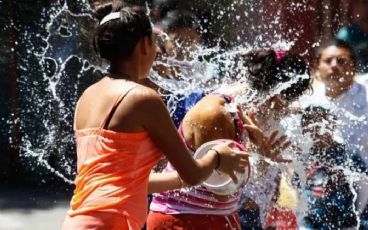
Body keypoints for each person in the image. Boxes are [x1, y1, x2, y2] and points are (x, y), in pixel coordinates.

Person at [61, 2, 248, 229]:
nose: (158, 51)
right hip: (112, 222)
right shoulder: (142, 98)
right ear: (144, 44)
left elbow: (130, 182)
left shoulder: (87, 97)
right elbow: (193, 174)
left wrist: (184, 178)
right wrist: (218, 156)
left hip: (78, 220)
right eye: (154, 43)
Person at [147, 49, 311, 230]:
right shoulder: (215, 115)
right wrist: (253, 153)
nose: (287, 110)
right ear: (275, 96)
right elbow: (222, 191)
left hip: (220, 216)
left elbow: (246, 189)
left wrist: (262, 155)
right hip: (182, 218)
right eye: (287, 102)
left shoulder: (247, 115)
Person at [306, 38, 368, 229]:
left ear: (354, 66)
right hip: (318, 201)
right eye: (328, 61)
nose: (334, 66)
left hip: (367, 202)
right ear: (316, 66)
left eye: (341, 61)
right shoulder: (307, 102)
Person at [298, 105, 368, 229]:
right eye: (311, 125)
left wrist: (358, 214)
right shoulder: (305, 160)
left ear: (333, 124)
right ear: (304, 130)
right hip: (311, 224)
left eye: (320, 122)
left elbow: (364, 188)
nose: (317, 129)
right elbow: (299, 190)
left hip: (344, 223)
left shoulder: (348, 155)